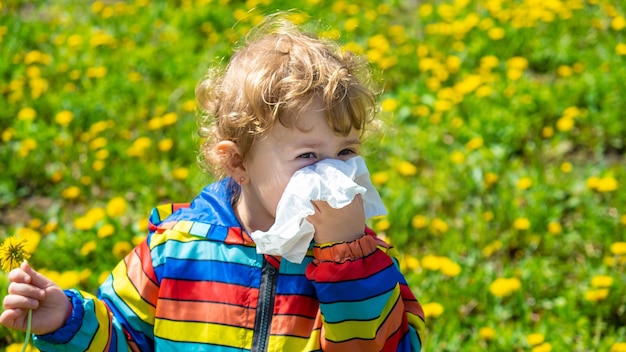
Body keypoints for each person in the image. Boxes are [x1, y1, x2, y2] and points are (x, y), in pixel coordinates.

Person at [1, 14, 426, 351]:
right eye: (308, 156)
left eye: (347, 153)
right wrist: (65, 320)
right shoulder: (174, 248)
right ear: (238, 162)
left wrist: (348, 259)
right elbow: (125, 336)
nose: (333, 176)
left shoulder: (365, 261)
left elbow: (383, 346)